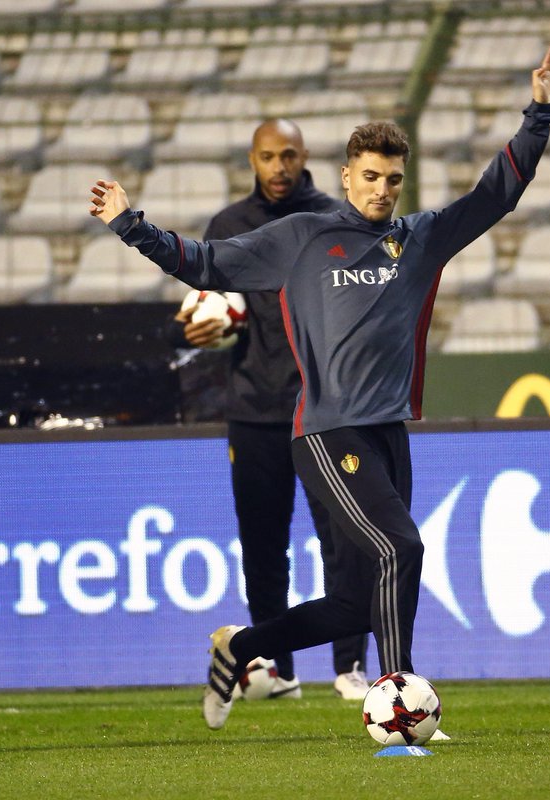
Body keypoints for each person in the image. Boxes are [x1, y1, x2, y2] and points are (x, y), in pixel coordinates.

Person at [89, 45, 550, 731]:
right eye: (370, 176)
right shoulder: (303, 236)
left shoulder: (420, 239)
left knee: (357, 601)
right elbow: (204, 265)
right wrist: (131, 225)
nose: (381, 189)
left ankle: (240, 648)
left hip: (387, 430)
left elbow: (499, 191)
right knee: (401, 549)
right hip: (325, 431)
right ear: (346, 176)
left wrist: (539, 111)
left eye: (393, 179)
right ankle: (400, 705)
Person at [174, 118, 371, 702]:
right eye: (267, 156)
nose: (279, 166)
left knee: (342, 541)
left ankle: (349, 667)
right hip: (254, 410)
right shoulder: (227, 227)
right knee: (263, 547)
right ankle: (275, 668)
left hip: (324, 411)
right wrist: (203, 328)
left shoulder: (335, 220)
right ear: (252, 159)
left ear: (305, 156)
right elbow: (205, 305)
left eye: (288, 155)